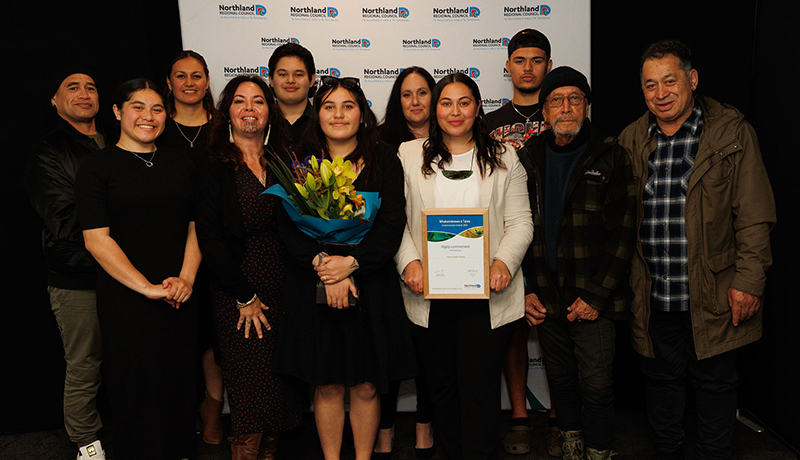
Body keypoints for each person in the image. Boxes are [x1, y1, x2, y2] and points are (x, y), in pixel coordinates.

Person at [618, 39, 776, 460]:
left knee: (716, 383)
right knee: (661, 382)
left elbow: (755, 215)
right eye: (650, 85)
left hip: (714, 290)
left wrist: (749, 282)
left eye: (670, 81)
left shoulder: (732, 133)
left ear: (692, 80)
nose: (661, 93)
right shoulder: (631, 138)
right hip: (653, 292)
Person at [274, 76, 417, 460]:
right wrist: (324, 265)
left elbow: (391, 223)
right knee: (326, 384)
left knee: (368, 385)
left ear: (362, 113)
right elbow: (286, 225)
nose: (339, 115)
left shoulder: (385, 157)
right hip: (314, 280)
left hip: (370, 282)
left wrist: (352, 264)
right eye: (329, 106)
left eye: (348, 106)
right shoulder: (297, 161)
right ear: (316, 113)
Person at [396, 72, 533, 460]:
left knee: (479, 389)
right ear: (435, 109)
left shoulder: (504, 155)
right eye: (446, 102)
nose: (455, 111)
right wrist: (411, 261)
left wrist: (504, 261)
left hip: (487, 294)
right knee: (440, 387)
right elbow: (396, 219)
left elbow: (521, 221)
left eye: (464, 102)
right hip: (429, 293)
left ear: (477, 108)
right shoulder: (408, 154)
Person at [75, 78, 201, 460]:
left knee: (180, 383)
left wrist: (186, 278)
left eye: (158, 108)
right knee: (134, 386)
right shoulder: (96, 168)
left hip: (181, 291)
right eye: (138, 107)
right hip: (127, 297)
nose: (148, 116)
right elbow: (96, 239)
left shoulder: (181, 161)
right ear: (117, 112)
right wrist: (147, 288)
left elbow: (197, 226)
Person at [517, 67, 637, 460]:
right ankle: (571, 440)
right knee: (561, 378)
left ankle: (600, 448)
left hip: (593, 295)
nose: (566, 107)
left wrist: (598, 295)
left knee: (598, 384)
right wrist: (528, 290)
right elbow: (514, 225)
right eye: (556, 100)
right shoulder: (526, 158)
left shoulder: (611, 154)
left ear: (586, 106)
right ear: (545, 111)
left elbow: (624, 233)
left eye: (575, 99)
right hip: (545, 294)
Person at [195, 75, 305, 460]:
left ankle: (270, 451)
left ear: (269, 110)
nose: (249, 109)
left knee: (280, 382)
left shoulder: (286, 160)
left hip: (285, 287)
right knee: (249, 385)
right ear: (227, 112)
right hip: (237, 290)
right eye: (240, 101)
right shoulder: (214, 164)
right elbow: (209, 238)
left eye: (258, 101)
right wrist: (244, 297)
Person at [23, 64, 107, 460]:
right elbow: (64, 221)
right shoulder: (47, 151)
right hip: (78, 278)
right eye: (72, 87)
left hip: (129, 277)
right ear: (55, 101)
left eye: (90, 87)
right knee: (85, 363)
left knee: (130, 357)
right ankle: (86, 442)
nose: (84, 92)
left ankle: (130, 429)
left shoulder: (117, 143)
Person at [484, 28, 556, 456]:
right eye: (520, 60)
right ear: (507, 66)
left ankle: (563, 412)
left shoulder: (565, 112)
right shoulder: (487, 122)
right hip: (506, 235)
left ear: (547, 65)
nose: (527, 68)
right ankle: (518, 414)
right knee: (511, 326)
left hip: (554, 235)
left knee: (557, 323)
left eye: (536, 60)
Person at [159, 49, 226, 446]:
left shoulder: (222, 126)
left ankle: (214, 414)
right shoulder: (155, 126)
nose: (189, 82)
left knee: (215, 339)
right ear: (169, 83)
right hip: (169, 248)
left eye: (197, 75)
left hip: (217, 247)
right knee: (180, 337)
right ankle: (180, 414)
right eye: (180, 76)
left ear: (206, 81)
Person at [374, 66, 437, 460]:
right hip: (389, 264)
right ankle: (383, 430)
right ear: (398, 101)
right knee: (388, 356)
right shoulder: (380, 144)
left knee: (430, 355)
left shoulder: (458, 138)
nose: (415, 102)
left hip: (444, 266)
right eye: (406, 94)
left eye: (422, 93)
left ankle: (425, 428)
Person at [268, 43, 316, 144]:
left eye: (298, 74)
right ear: (271, 79)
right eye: (282, 74)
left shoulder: (324, 122)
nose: (290, 80)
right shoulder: (261, 121)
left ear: (312, 80)